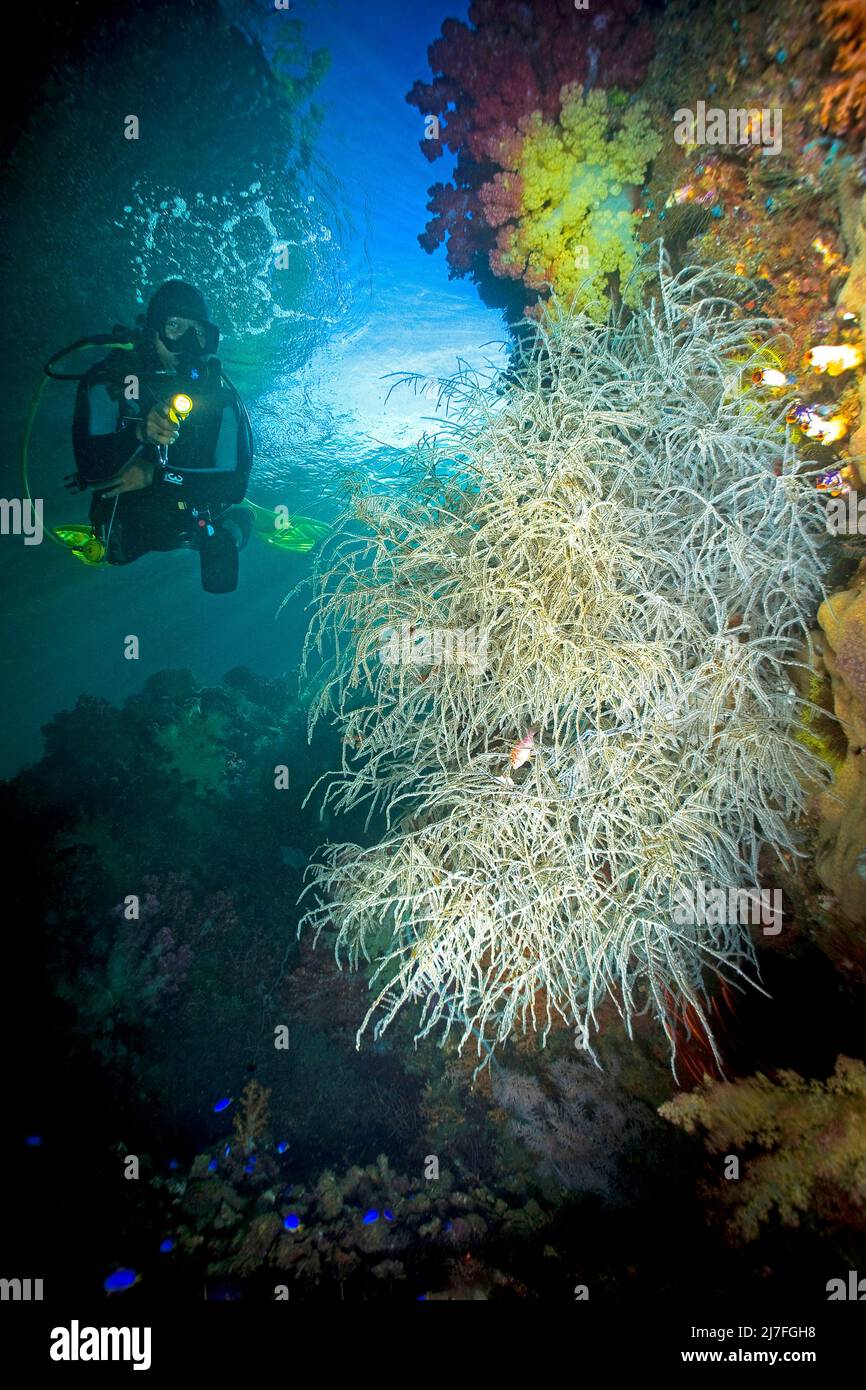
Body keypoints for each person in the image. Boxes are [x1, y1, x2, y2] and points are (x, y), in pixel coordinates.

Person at [72, 280, 254, 593]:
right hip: (127, 528)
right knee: (116, 555)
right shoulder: (111, 381)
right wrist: (139, 432)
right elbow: (90, 468)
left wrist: (155, 476)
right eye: (175, 326)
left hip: (192, 523)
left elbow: (235, 484)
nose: (187, 343)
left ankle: (224, 531)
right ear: (152, 330)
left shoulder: (219, 395)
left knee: (233, 536)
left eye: (197, 332)